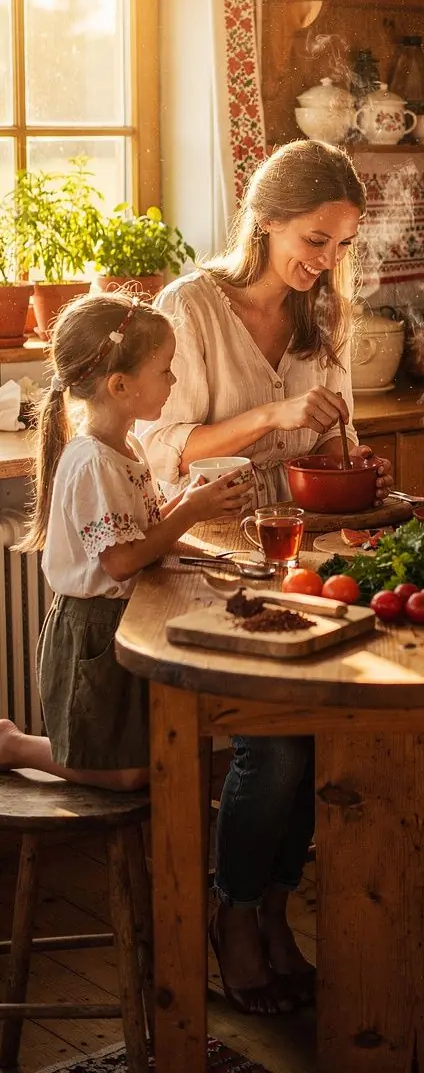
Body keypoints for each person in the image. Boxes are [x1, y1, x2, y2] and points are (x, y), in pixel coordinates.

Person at [139, 140, 391, 1017]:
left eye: (341, 246)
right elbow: (159, 451)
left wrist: (353, 462)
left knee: (327, 736)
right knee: (276, 743)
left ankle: (279, 914)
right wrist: (271, 415)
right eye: (315, 240)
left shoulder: (325, 321)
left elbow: (333, 441)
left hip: (298, 560)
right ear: (267, 219)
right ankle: (234, 915)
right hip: (202, 563)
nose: (326, 263)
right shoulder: (189, 309)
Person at [0, 293, 246, 791]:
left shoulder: (127, 446)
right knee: (129, 772)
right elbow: (121, 561)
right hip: (93, 632)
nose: (173, 381)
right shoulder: (93, 462)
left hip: (126, 624)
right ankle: (13, 745)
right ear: (120, 385)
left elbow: (147, 531)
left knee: (152, 752)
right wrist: (191, 513)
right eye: (165, 370)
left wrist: (222, 555)